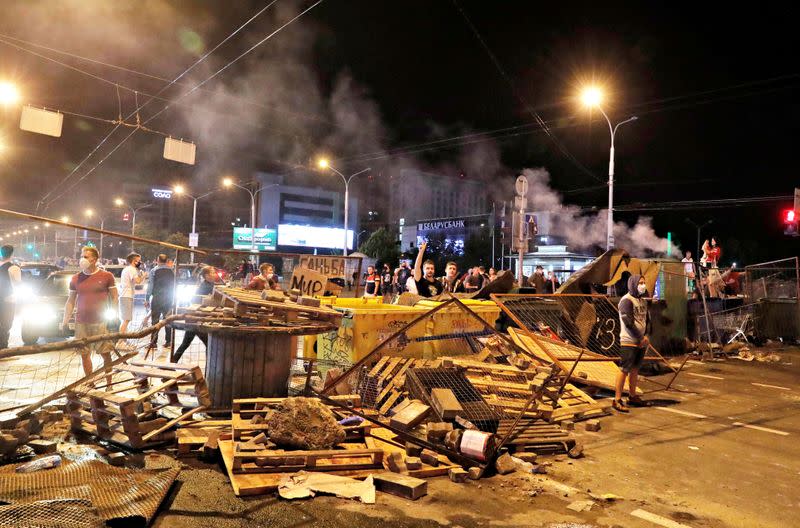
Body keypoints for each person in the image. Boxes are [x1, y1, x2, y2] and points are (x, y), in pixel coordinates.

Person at [62, 246, 118, 383]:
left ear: (94, 259)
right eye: (81, 256)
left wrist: (115, 317)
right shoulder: (76, 278)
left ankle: (109, 383)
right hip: (81, 323)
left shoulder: (107, 276)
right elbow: (70, 301)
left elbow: (115, 298)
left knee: (105, 354)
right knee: (84, 355)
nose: (82, 259)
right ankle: (90, 382)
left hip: (101, 322)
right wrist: (65, 321)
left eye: (85, 256)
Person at [615, 274, 650, 412]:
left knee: (635, 369)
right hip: (629, 341)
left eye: (643, 282)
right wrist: (640, 337)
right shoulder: (626, 301)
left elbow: (646, 320)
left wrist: (646, 335)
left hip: (640, 341)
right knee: (624, 369)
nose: (643, 285)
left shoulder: (642, 301)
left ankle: (632, 395)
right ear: (633, 284)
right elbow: (628, 322)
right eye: (640, 282)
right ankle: (617, 399)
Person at [174, 266, 218, 362]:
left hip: (195, 318)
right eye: (213, 273)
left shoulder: (209, 284)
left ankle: (172, 362)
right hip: (197, 319)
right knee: (209, 344)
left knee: (186, 343)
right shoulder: (206, 286)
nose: (215, 274)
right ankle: (208, 370)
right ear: (206, 276)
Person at [146, 254, 175, 349]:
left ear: (157, 260)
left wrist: (147, 298)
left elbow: (150, 285)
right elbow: (174, 285)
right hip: (169, 298)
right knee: (167, 320)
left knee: (155, 321)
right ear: (166, 261)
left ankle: (153, 343)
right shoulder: (171, 271)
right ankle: (168, 342)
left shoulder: (154, 271)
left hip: (157, 298)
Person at [119, 253, 145, 334]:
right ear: (134, 261)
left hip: (125, 295)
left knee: (125, 319)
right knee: (126, 320)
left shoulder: (127, 269)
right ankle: (121, 340)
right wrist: (144, 275)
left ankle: (123, 339)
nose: (140, 262)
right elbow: (137, 281)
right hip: (127, 296)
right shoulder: (132, 269)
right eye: (139, 261)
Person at [0, 245, 21, 349]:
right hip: (7, 300)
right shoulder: (13, 268)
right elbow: (18, 283)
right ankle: (3, 348)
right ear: (12, 254)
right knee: (6, 325)